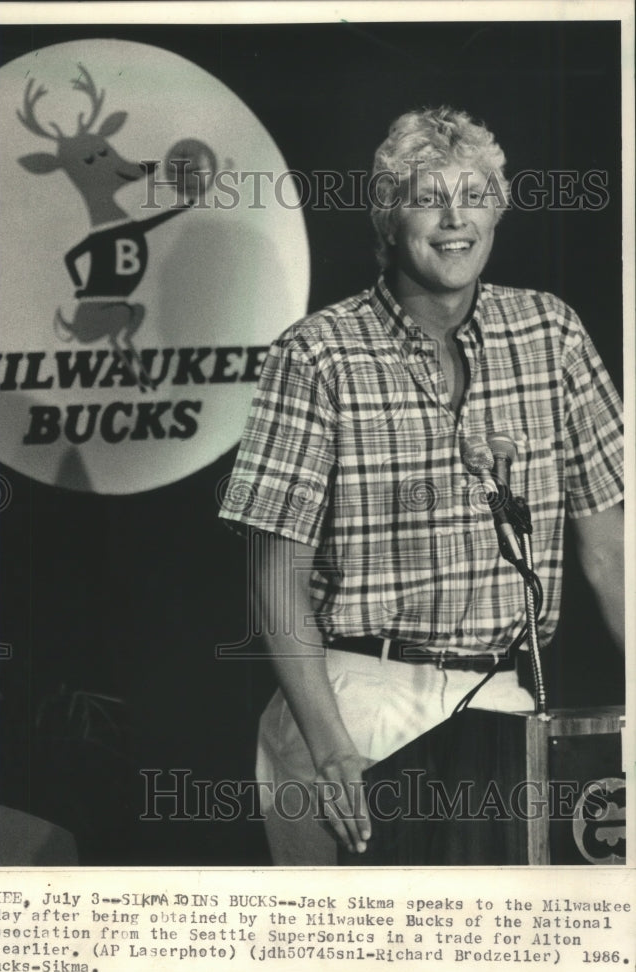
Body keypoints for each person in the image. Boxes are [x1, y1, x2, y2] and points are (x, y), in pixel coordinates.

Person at [218, 107, 624, 865]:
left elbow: (610, 549)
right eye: (426, 197)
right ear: (387, 217)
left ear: (497, 210)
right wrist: (331, 747)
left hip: (505, 701)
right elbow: (276, 579)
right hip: (353, 702)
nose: (453, 218)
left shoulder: (551, 333)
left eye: (473, 195)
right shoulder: (317, 355)